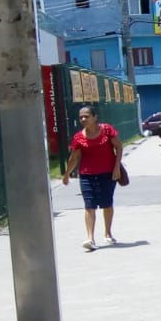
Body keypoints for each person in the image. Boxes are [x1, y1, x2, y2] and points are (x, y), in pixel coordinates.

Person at [60, 106, 123, 250]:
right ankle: (90, 238)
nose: (83, 119)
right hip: (86, 175)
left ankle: (108, 233)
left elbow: (119, 147)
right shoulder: (78, 137)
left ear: (95, 117)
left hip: (108, 173)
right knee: (89, 205)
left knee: (107, 203)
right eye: (81, 117)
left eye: (86, 116)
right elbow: (74, 158)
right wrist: (67, 174)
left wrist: (117, 167)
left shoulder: (107, 130)